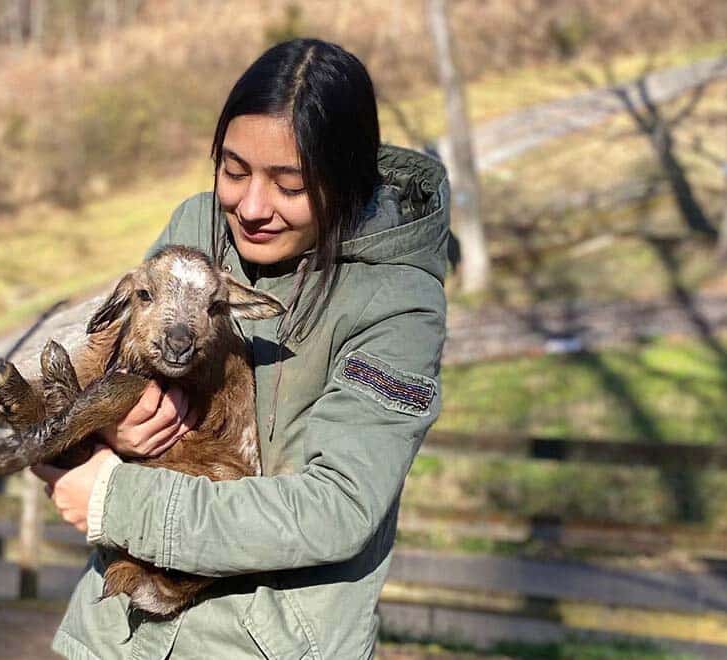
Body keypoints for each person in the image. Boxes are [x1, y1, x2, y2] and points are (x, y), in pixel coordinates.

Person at [30, 38, 449, 660]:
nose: (251, 208)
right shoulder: (198, 228)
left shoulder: (398, 302)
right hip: (117, 636)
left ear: (346, 178)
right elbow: (106, 376)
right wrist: (105, 436)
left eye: (290, 185)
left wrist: (116, 501)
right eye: (233, 170)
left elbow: (336, 507)